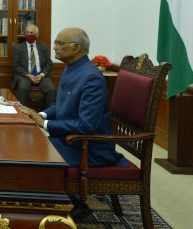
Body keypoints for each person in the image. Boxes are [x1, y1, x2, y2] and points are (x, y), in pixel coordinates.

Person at [19, 27, 128, 222]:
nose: (54, 47)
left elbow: (86, 126)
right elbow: (62, 105)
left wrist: (44, 123)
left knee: (32, 158)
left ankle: (73, 209)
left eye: (59, 43)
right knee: (28, 147)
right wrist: (40, 113)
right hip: (71, 141)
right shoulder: (72, 68)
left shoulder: (91, 77)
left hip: (90, 147)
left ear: (77, 47)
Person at [11, 24, 56, 107]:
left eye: (31, 33)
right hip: (25, 75)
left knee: (51, 89)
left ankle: (49, 115)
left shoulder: (43, 46)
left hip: (41, 75)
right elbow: (15, 65)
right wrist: (28, 75)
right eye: (27, 32)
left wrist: (42, 75)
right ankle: (22, 114)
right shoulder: (19, 48)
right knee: (23, 88)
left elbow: (49, 63)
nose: (29, 35)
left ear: (37, 35)